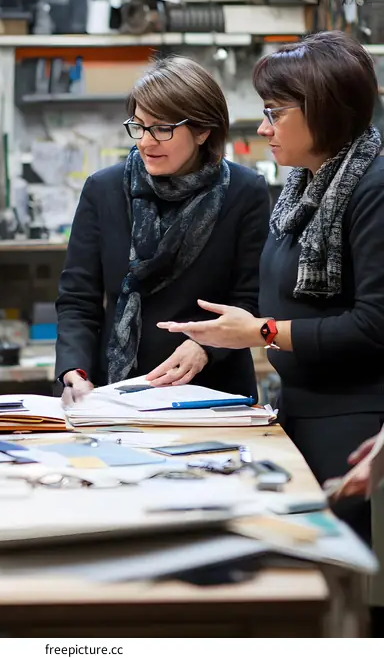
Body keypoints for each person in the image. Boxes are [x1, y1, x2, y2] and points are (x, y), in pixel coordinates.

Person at [158, 31, 384, 542]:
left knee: (332, 581)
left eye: (274, 113)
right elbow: (284, 298)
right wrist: (208, 341)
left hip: (354, 423)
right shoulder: (305, 191)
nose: (263, 128)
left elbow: (374, 327)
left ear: (322, 110)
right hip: (303, 410)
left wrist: (261, 331)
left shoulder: (372, 191)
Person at [55, 55, 270, 401]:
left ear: (202, 130)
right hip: (113, 394)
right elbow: (78, 299)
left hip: (211, 391)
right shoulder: (105, 189)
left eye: (162, 129)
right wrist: (74, 372)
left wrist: (204, 347)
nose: (145, 142)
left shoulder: (244, 192)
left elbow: (251, 297)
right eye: (138, 126)